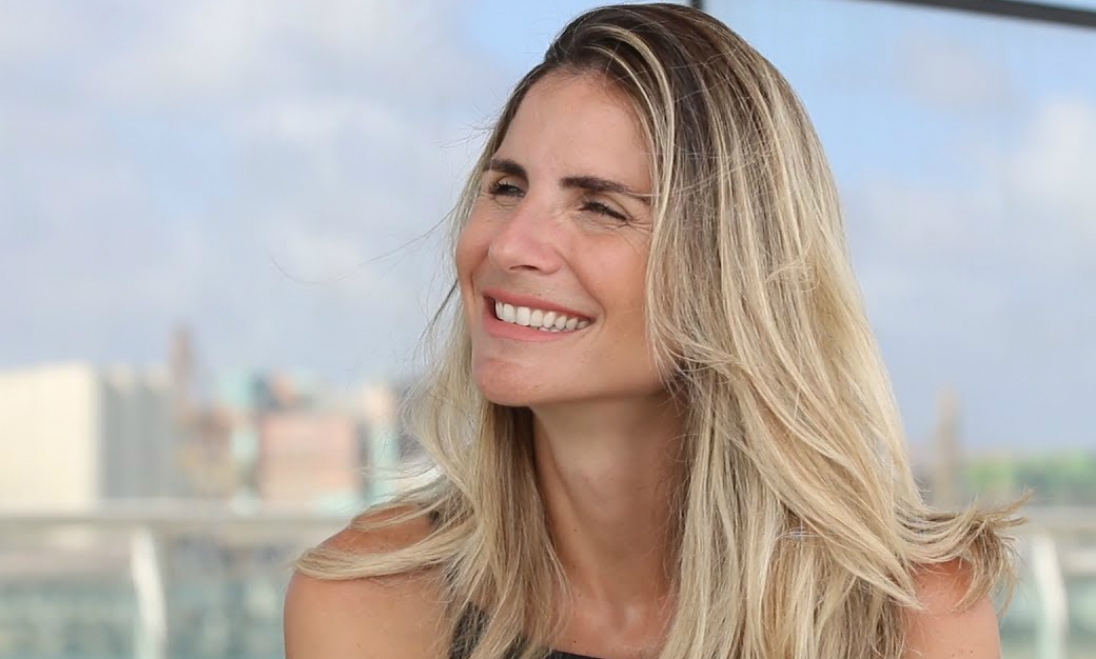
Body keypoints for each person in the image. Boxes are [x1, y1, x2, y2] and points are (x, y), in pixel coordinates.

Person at [283, 4, 1021, 658]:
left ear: (729, 271)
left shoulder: (913, 617)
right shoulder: (366, 602)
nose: (509, 245)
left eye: (599, 207)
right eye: (506, 187)